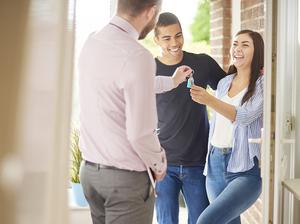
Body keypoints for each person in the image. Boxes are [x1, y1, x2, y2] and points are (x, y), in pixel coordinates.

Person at [76, 1, 189, 224]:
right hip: (124, 181)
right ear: (150, 12)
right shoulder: (138, 55)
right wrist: (159, 164)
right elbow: (140, 133)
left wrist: (172, 81)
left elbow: (124, 82)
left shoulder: (92, 41)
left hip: (90, 173)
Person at [153, 12, 226, 224]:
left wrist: (253, 70)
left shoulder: (202, 63)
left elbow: (230, 88)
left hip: (198, 163)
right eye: (166, 38)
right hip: (162, 164)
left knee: (200, 221)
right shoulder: (149, 69)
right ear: (156, 39)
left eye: (178, 35)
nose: (174, 43)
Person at [190, 30, 264, 224]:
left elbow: (245, 117)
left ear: (257, 52)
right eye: (235, 44)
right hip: (214, 163)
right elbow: (219, 121)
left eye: (245, 45)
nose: (237, 49)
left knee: (206, 221)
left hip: (244, 169)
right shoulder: (224, 82)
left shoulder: (262, 84)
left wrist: (209, 100)